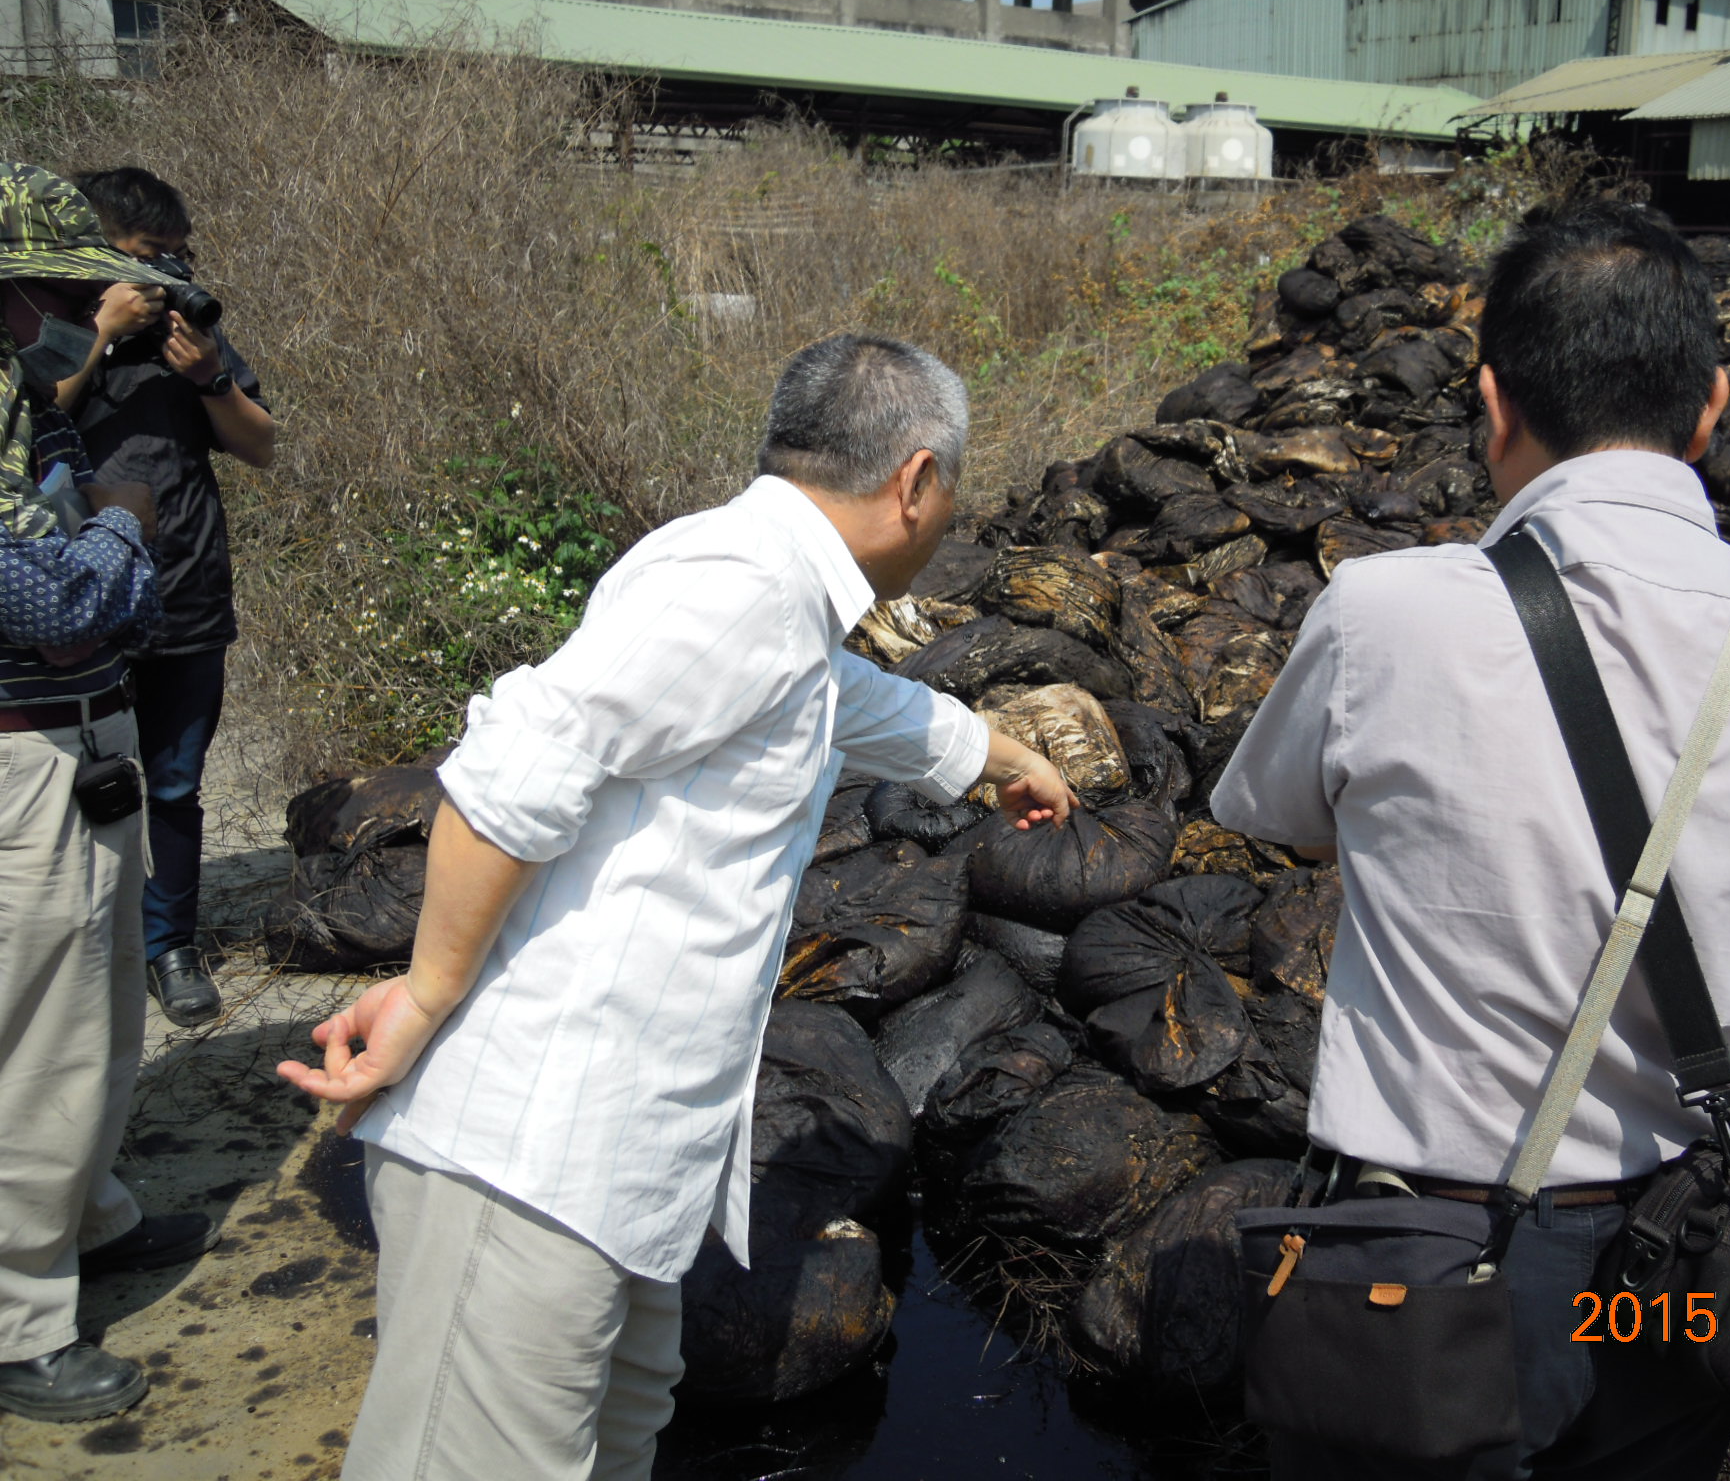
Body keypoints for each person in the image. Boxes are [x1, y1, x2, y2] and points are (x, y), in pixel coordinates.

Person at [1213, 201, 1730, 1480]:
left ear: (1492, 402)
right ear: (1712, 409)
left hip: (1419, 1270)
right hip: (1685, 1277)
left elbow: (1260, 813)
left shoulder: (1383, 617)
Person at [277, 333, 1073, 1480]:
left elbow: (828, 695)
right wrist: (428, 989)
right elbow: (514, 769)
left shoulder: (777, 597)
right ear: (913, 479)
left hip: (621, 1162)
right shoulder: (739, 583)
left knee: (616, 1434)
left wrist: (989, 753)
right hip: (533, 1155)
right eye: (953, 485)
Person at [0, 162, 220, 1424]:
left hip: (78, 740)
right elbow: (68, 599)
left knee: (90, 1019)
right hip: (23, 745)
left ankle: (87, 1214)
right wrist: (126, 520)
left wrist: (91, 494)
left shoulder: (30, 401)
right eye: (58, 293)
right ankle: (22, 1320)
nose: (78, 316)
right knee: (33, 1039)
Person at [61, 166, 275, 1030]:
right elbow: (31, 415)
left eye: (180, 259)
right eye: (153, 259)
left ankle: (170, 948)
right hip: (75, 606)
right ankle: (86, 947)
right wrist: (98, 337)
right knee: (81, 784)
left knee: (176, 785)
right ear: (98, 252)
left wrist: (212, 378)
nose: (169, 280)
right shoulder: (45, 331)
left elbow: (261, 445)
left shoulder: (189, 340)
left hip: (187, 592)